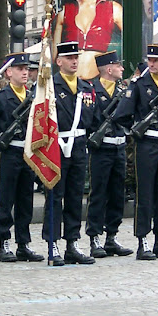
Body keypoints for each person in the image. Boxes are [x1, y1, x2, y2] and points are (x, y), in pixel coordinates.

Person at [114, 45, 158, 261]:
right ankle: (143, 240)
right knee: (145, 193)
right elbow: (122, 114)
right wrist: (139, 128)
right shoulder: (138, 85)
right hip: (148, 143)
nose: (151, 64)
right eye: (150, 60)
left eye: (156, 61)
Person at [43, 41, 99, 265]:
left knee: (75, 196)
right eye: (69, 58)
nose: (74, 61)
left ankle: (72, 242)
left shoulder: (86, 88)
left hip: (78, 145)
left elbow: (93, 119)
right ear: (59, 62)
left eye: (76, 57)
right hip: (56, 145)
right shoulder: (50, 86)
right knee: (55, 197)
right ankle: (52, 243)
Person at [0, 53, 44, 263]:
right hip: (9, 152)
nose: (24, 72)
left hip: (27, 153)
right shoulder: (2, 97)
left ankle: (23, 243)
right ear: (9, 72)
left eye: (26, 69)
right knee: (5, 199)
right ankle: (4, 242)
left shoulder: (32, 96)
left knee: (25, 200)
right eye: (20, 69)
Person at [85, 51, 133, 258]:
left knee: (117, 194)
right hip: (101, 149)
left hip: (119, 147)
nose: (122, 69)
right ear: (109, 69)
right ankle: (94, 236)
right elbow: (88, 120)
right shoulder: (92, 91)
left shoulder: (123, 92)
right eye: (118, 65)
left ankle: (111, 236)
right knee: (98, 194)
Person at [53, 0, 123, 79]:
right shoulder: (65, 11)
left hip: (100, 81)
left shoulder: (113, 9)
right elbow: (53, 55)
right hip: (69, 81)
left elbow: (131, 42)